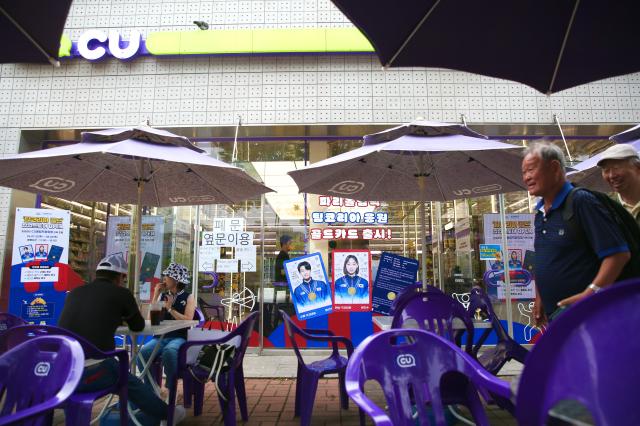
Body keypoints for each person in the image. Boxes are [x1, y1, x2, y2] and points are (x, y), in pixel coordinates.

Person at [58, 253, 185, 425]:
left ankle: (139, 409)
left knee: (122, 372)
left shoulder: (74, 293)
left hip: (61, 373)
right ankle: (168, 414)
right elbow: (138, 326)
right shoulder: (121, 293)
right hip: (92, 373)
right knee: (126, 378)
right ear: (120, 277)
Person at [522, 142, 631, 325]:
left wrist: (590, 295)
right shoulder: (540, 213)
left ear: (554, 168)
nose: (526, 177)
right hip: (560, 319)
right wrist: (540, 298)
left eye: (531, 170)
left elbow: (618, 254)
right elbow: (547, 259)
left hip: (591, 317)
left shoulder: (581, 202)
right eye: (524, 172)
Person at [139, 262, 196, 392]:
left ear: (176, 280)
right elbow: (150, 319)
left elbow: (188, 319)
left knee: (169, 352)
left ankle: (170, 389)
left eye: (167, 276)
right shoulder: (162, 296)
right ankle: (152, 389)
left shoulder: (188, 297)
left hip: (179, 337)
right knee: (142, 353)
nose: (164, 279)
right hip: (160, 337)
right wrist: (155, 295)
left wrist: (170, 308)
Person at [597, 143, 640, 226]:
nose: (611, 175)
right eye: (606, 170)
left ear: (638, 168)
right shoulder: (606, 208)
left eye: (616, 168)